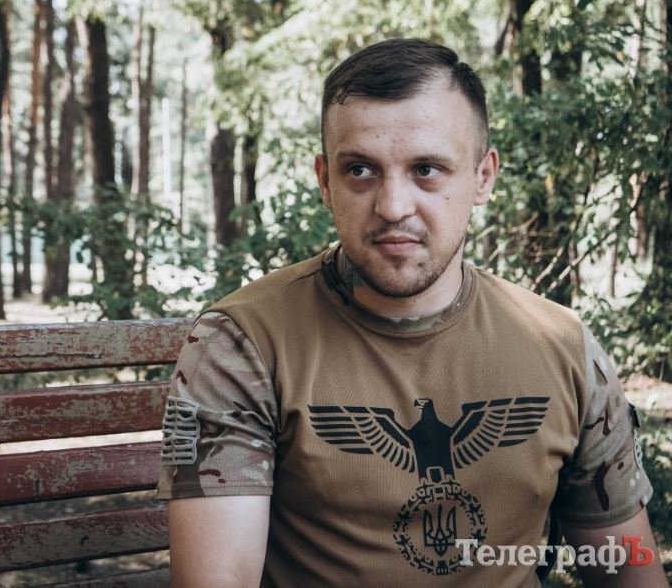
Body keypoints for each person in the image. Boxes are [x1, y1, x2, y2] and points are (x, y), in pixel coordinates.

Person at [157, 38, 667, 587]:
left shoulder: (562, 347)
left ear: (483, 177)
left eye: (426, 169)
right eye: (360, 170)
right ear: (325, 181)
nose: (393, 206)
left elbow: (627, 570)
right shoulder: (245, 343)